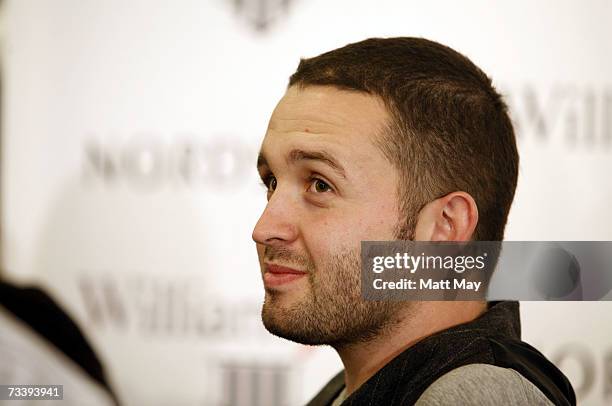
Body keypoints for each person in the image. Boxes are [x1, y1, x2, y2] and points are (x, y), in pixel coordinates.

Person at [251, 37, 575, 405]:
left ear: (445, 227)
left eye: (320, 185)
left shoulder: (472, 397)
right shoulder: (355, 389)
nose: (264, 228)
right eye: (272, 182)